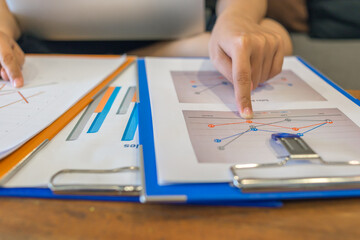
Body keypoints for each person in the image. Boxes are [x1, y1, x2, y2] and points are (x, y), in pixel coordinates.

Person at [0, 0, 292, 119]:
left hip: (178, 39)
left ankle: (122, 60)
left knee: (274, 39)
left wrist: (236, 17)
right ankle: (130, 59)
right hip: (44, 49)